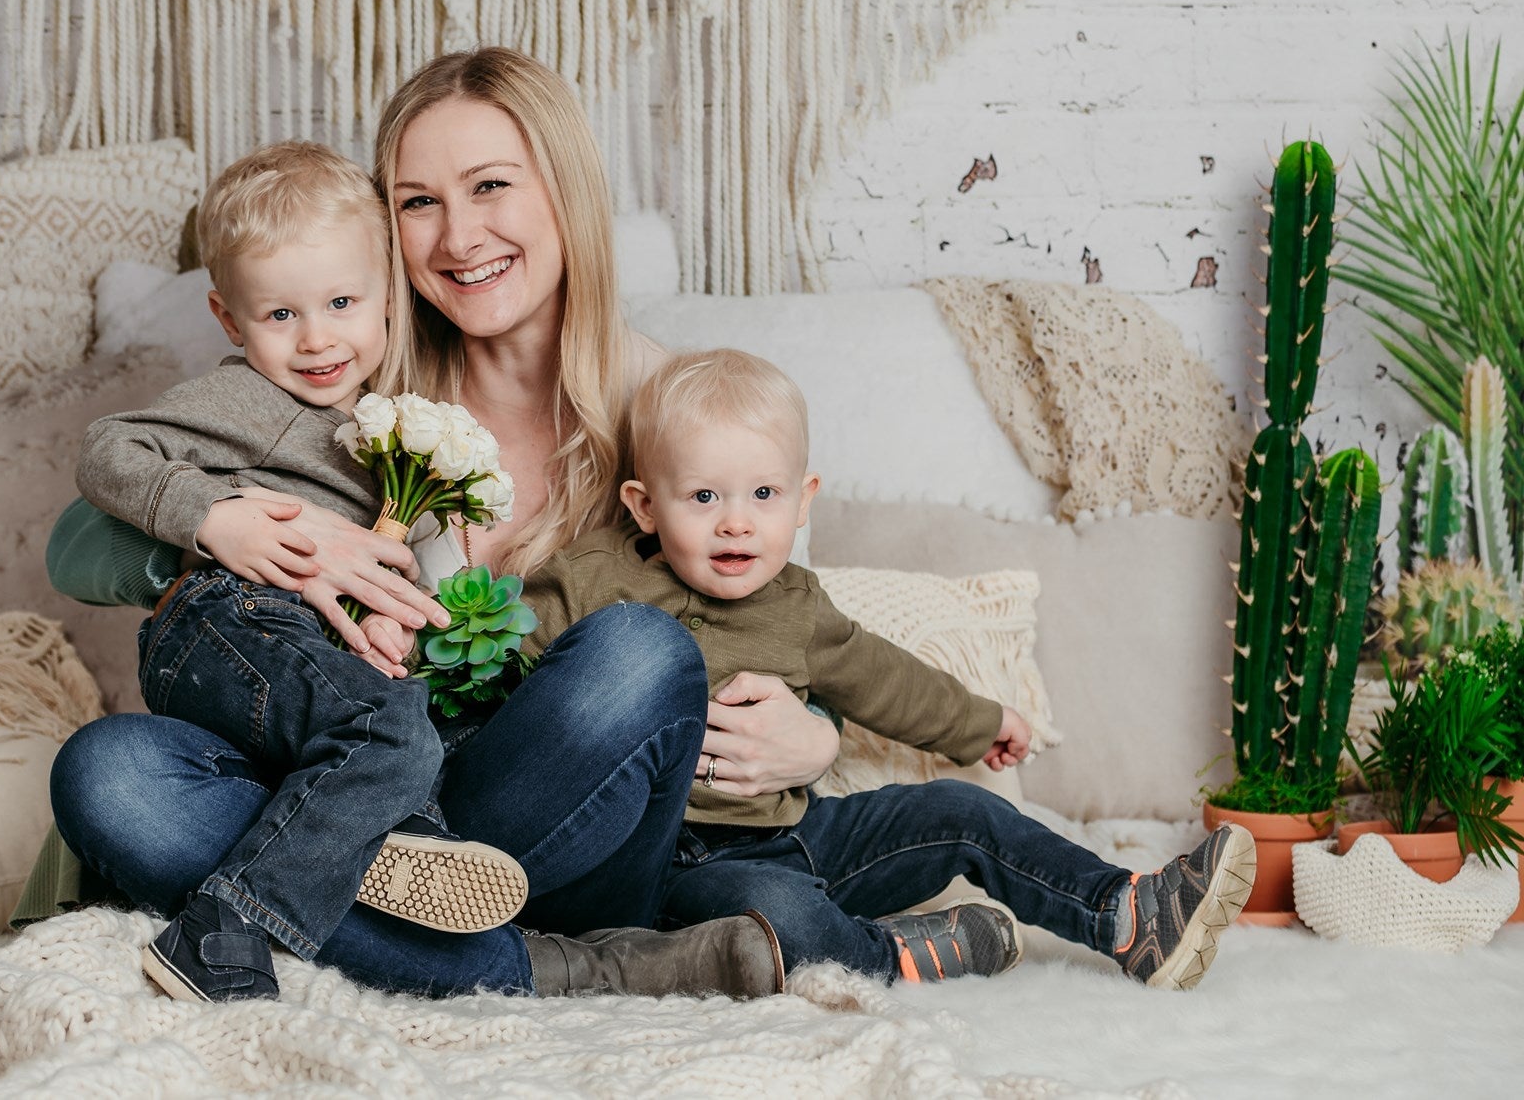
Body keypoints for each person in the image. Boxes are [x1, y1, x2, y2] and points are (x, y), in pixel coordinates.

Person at [36, 48, 828, 999]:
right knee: (110, 774)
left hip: (554, 827)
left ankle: (474, 932)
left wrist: (815, 735)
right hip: (371, 793)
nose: (459, 236)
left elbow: (781, 621)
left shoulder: (681, 407)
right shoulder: (349, 384)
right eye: (418, 202)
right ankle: (550, 971)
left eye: (490, 186)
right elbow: (78, 544)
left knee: (641, 653)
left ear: (563, 191)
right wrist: (264, 528)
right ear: (384, 232)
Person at [518, 349, 1257, 990]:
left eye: (763, 495)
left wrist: (983, 720)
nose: (736, 521)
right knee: (785, 916)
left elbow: (887, 679)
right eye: (704, 496)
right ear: (645, 506)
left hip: (802, 828)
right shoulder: (591, 582)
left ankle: (1127, 912)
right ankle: (891, 953)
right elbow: (520, 707)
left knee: (962, 810)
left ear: (802, 500)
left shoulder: (800, 606)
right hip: (680, 867)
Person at [75, 141, 532, 1002]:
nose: (317, 337)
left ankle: (396, 837)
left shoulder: (396, 429)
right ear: (228, 319)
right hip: (220, 620)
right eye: (279, 315)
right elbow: (107, 450)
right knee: (389, 729)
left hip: (302, 661)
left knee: (406, 726)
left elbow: (412, 572)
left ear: (387, 298)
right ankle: (223, 928)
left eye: (342, 302)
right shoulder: (239, 400)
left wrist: (406, 610)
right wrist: (212, 516)